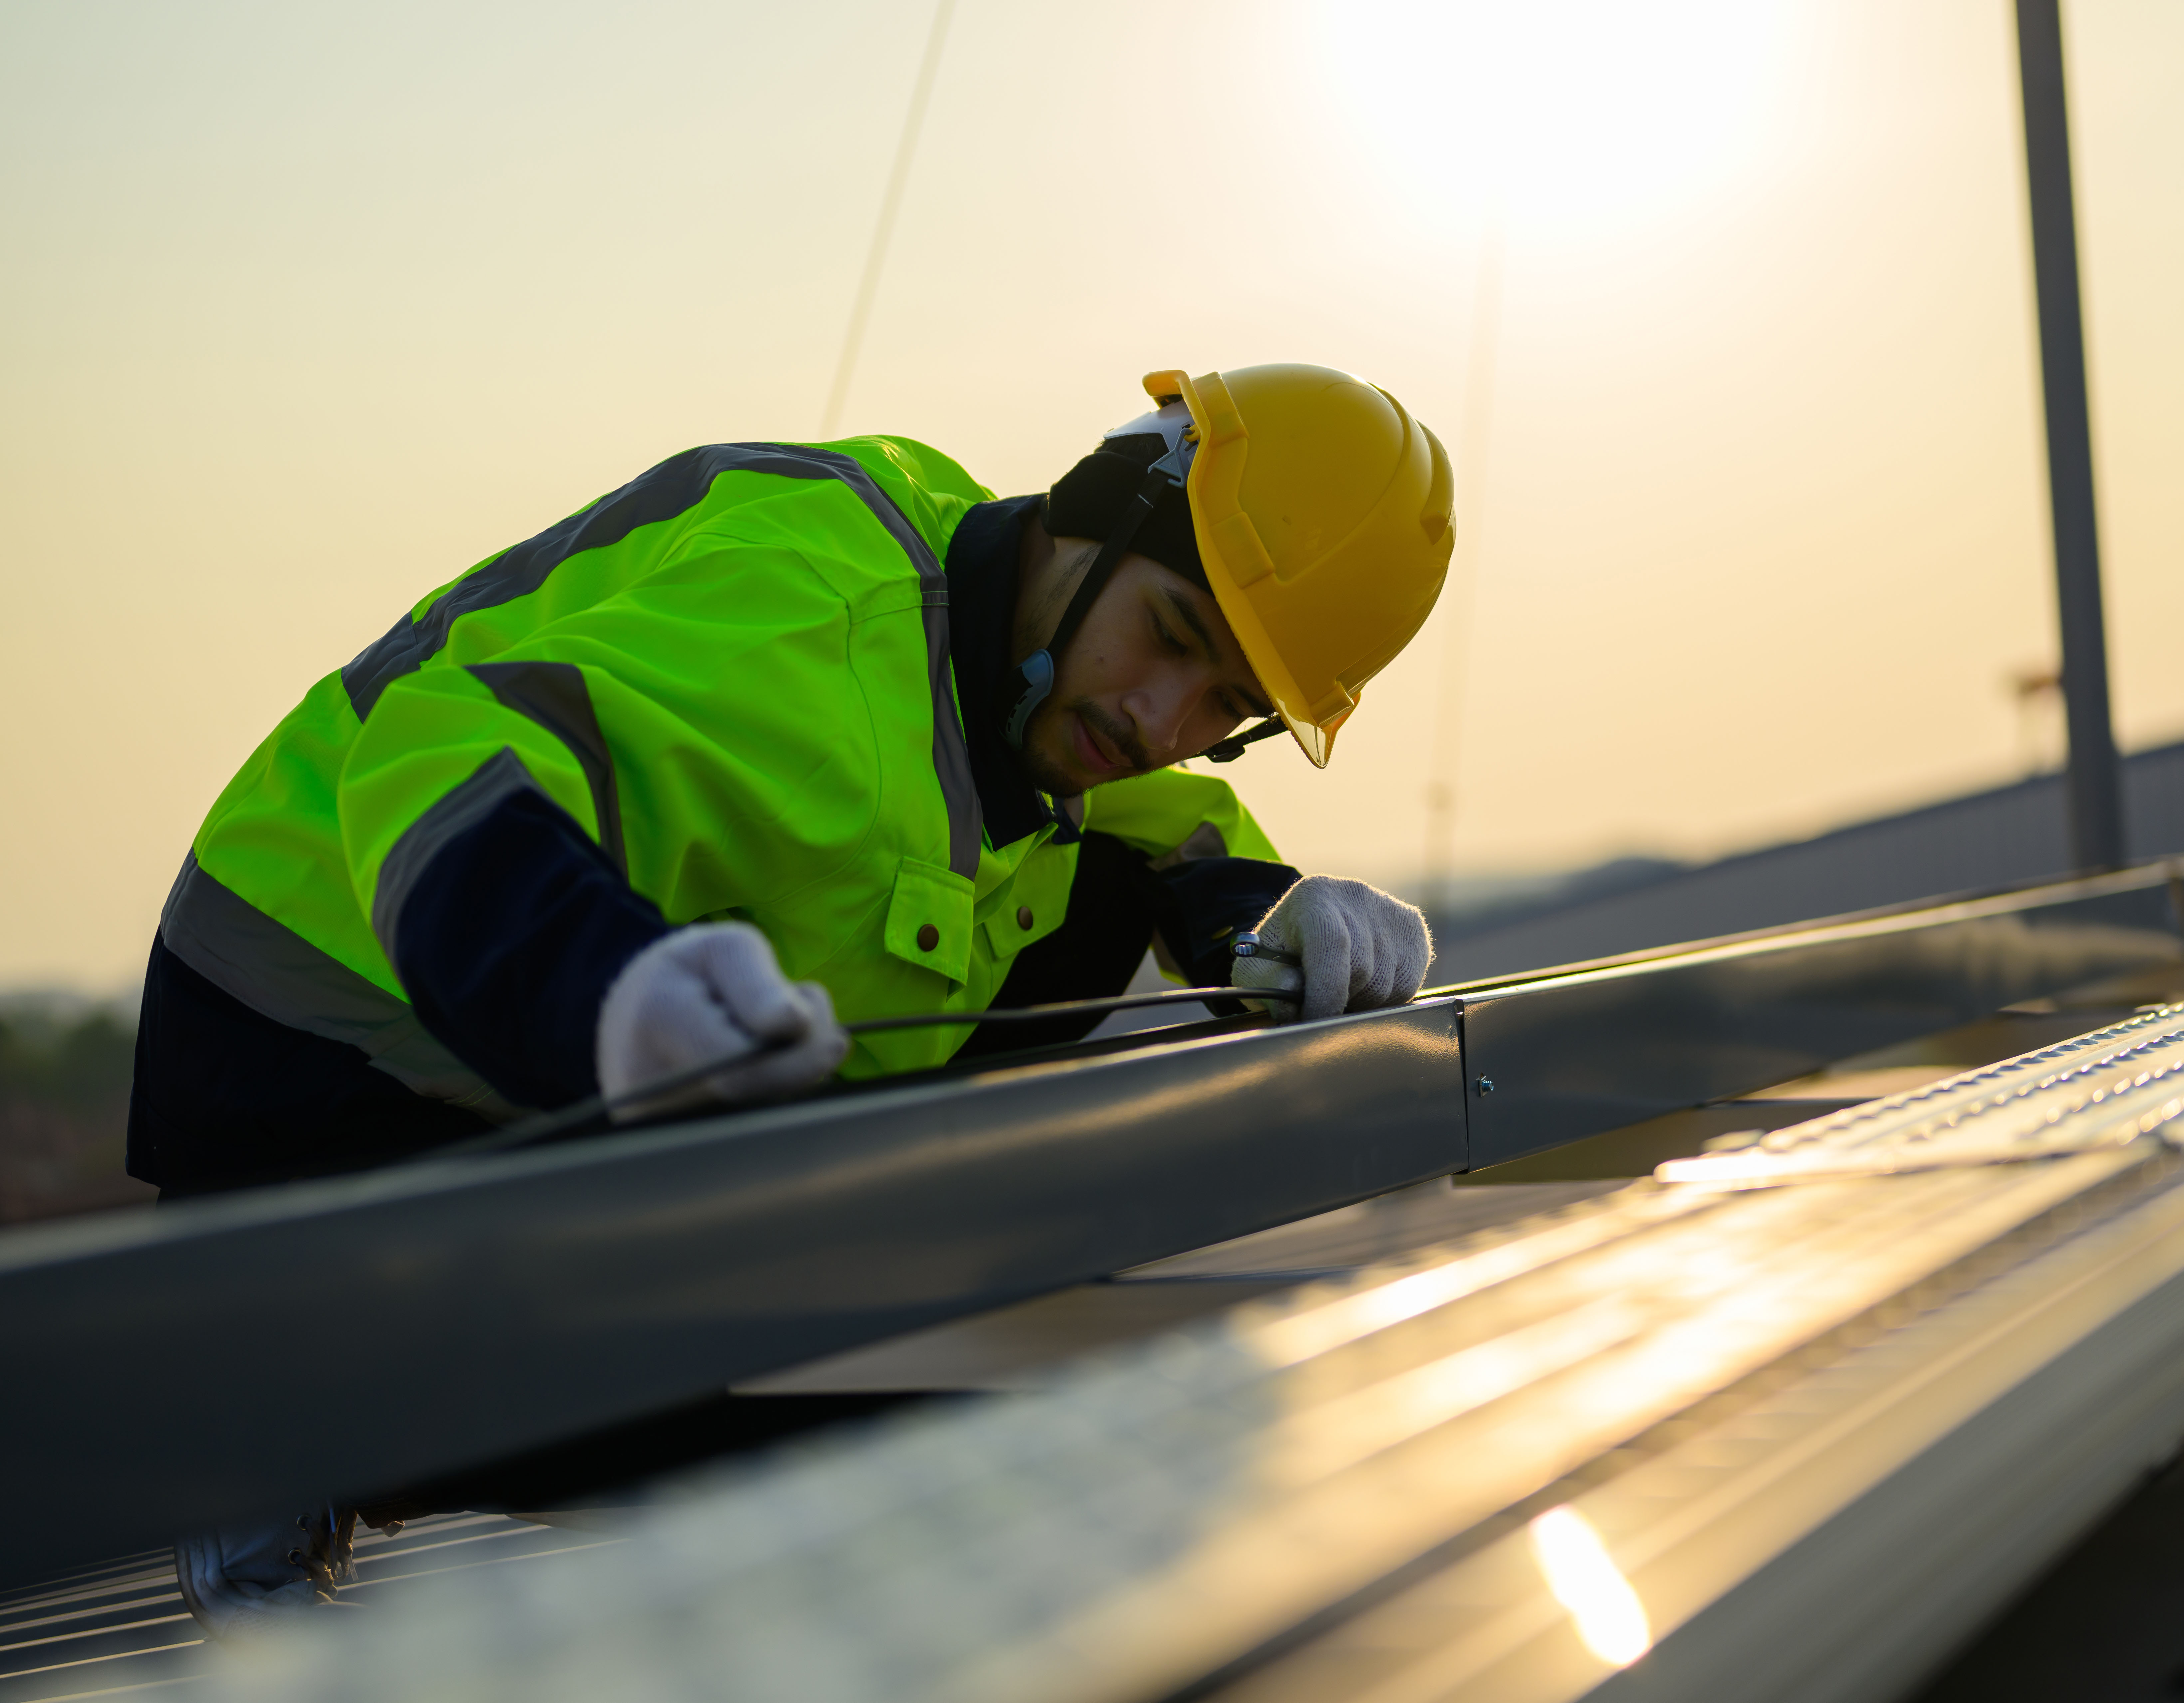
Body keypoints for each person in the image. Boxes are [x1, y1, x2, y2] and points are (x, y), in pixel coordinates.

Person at [136, 362, 1455, 1630]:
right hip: (326, 1064)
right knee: (914, 1407)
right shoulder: (808, 620)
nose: (1164, 717)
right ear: (1093, 519)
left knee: (1002, 1332)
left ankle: (420, 1399)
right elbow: (425, 770)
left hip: (575, 1068)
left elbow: (1168, 821)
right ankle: (287, 1420)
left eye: (1227, 705)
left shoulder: (1033, 671)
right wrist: (613, 997)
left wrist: (1267, 914)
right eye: (1169, 637)